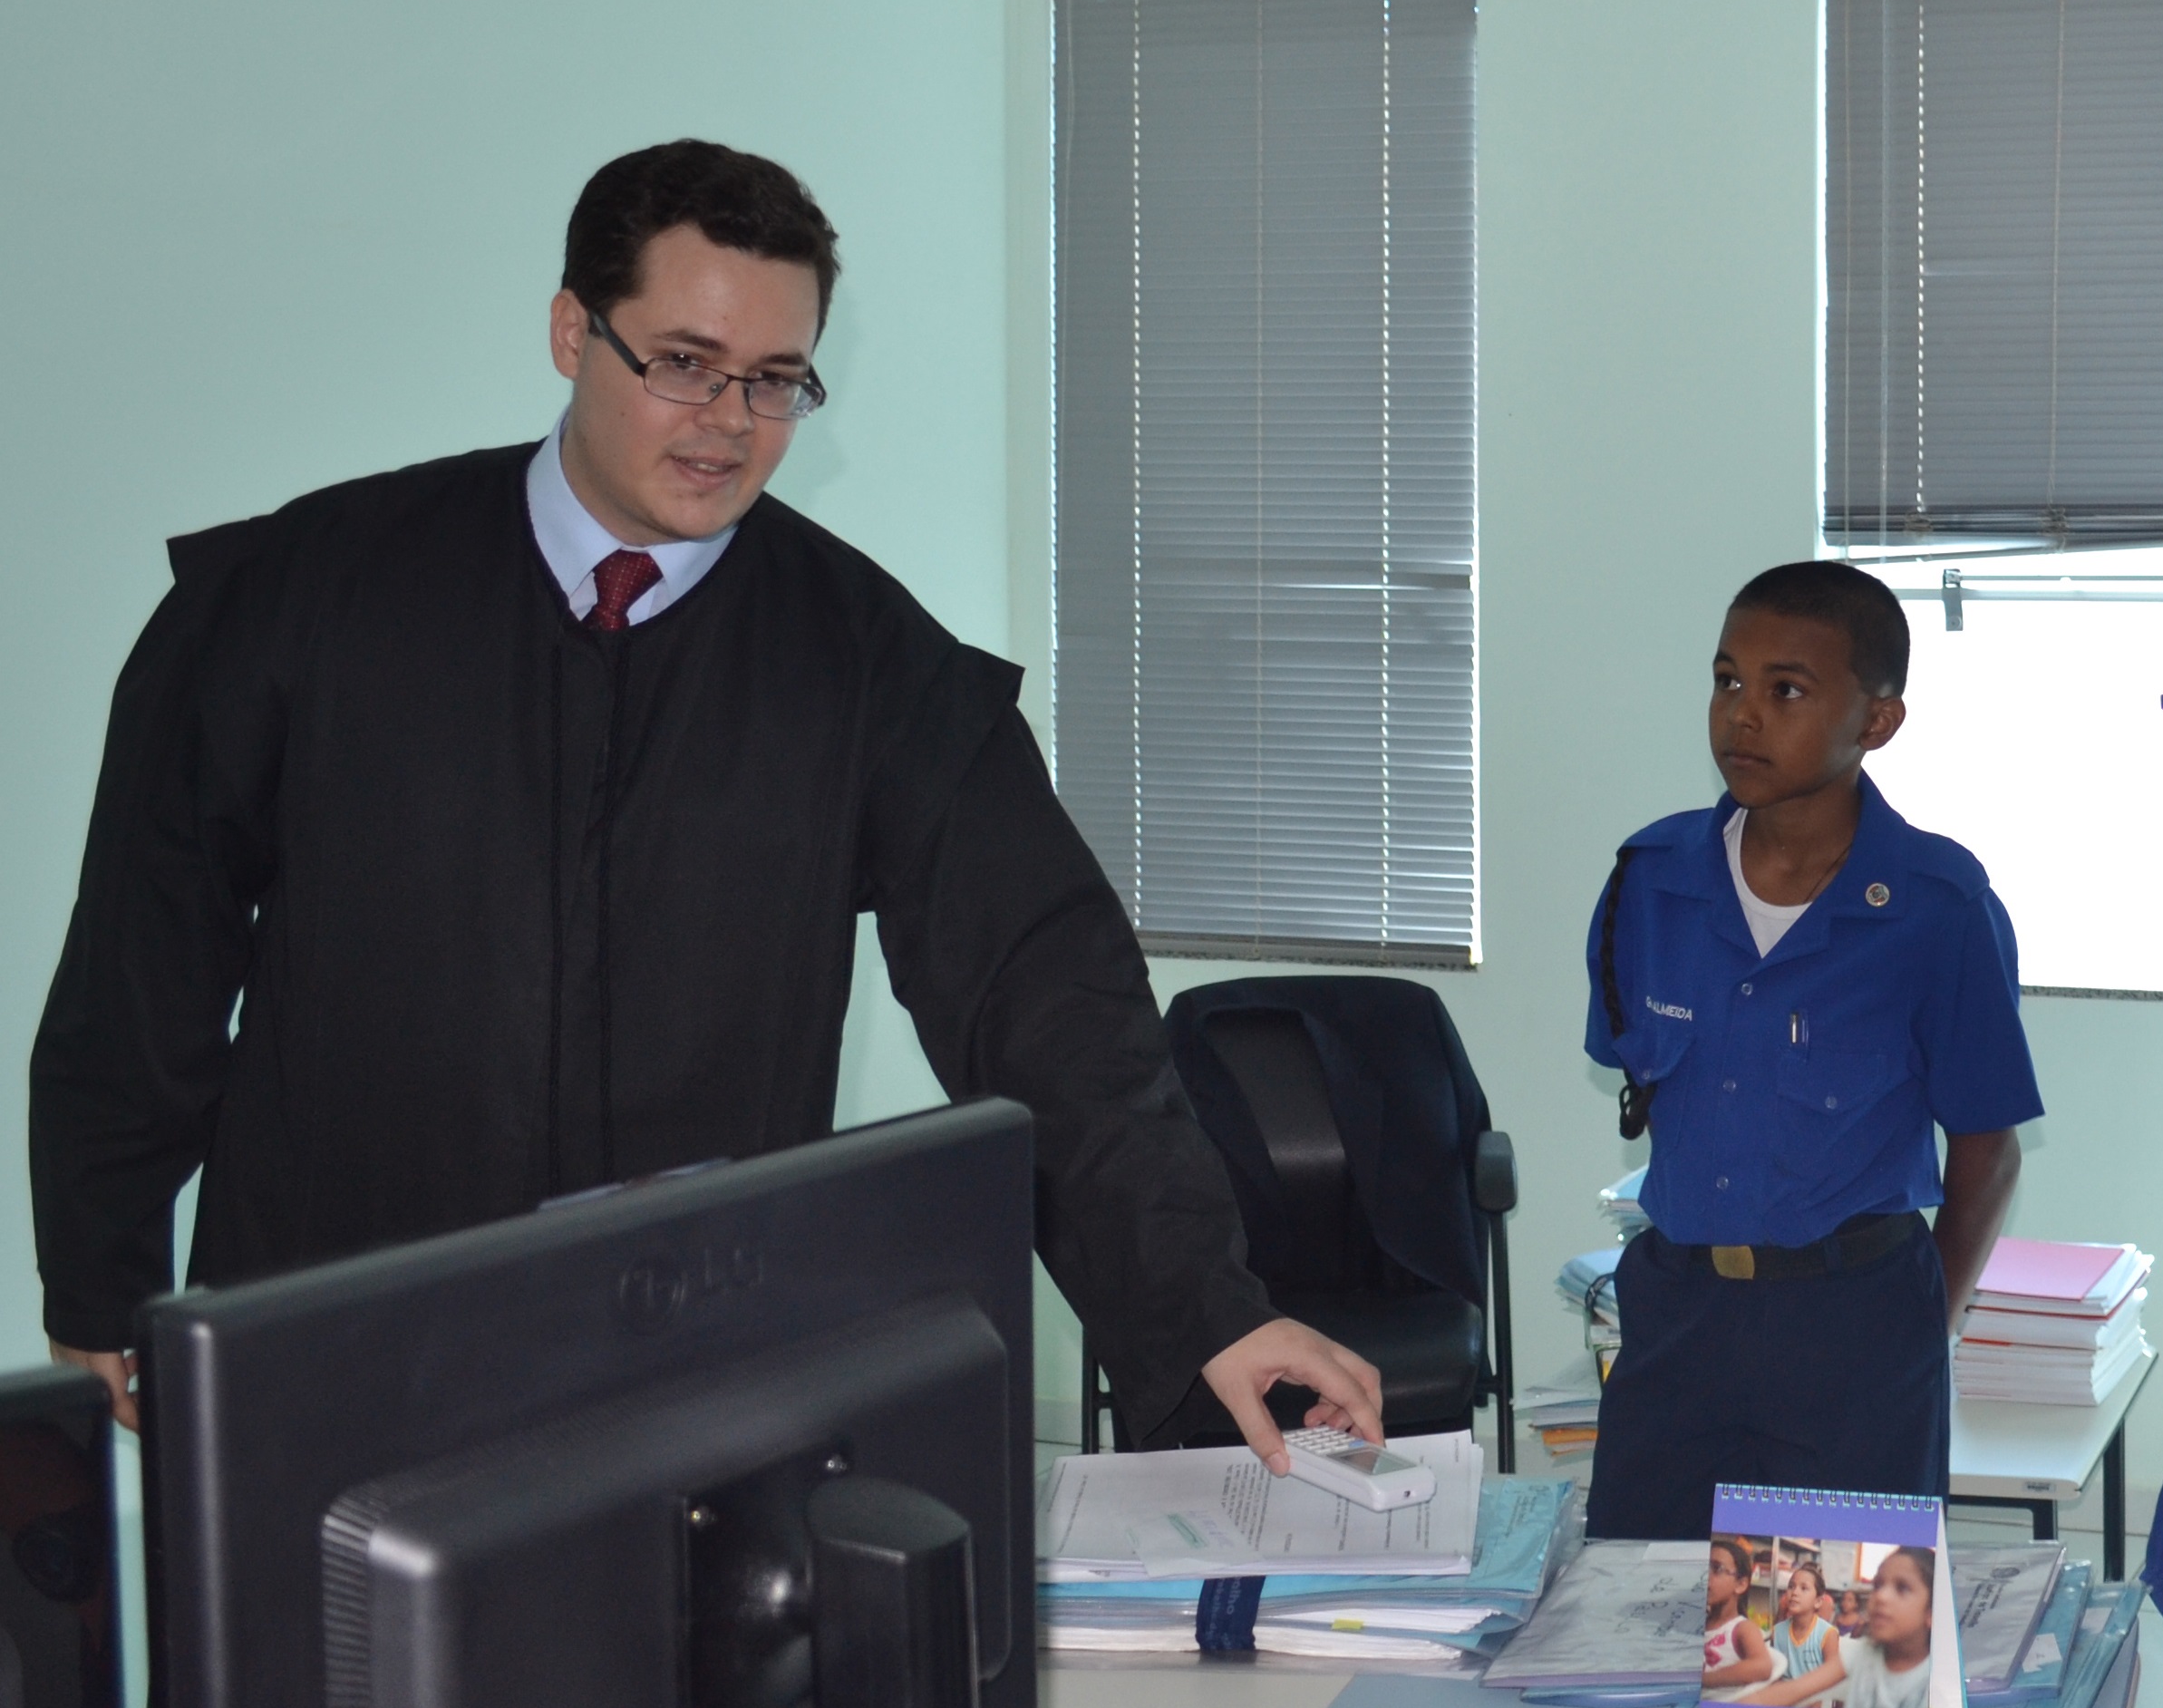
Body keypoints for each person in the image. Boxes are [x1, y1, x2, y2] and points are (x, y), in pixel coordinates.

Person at [27, 141, 1378, 1464]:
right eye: (684, 363)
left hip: (684, 1375)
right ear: (573, 332)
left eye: (776, 380)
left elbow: (1047, 998)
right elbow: (147, 952)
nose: (730, 420)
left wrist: (1204, 1305)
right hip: (335, 1348)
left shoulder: (870, 666)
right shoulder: (305, 596)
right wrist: (99, 1269)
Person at [1578, 562, 2041, 1539]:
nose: (1743, 715)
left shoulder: (1936, 908)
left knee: (1828, 1636)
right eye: (1727, 681)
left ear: (1878, 720)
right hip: (1677, 1321)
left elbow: (1988, 1149)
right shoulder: (1649, 883)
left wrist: (1918, 1332)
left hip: (1853, 1328)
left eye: (1786, 690)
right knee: (1633, 1608)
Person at [1754, 1544, 1938, 1708]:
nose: (1881, 1596)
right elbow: (1795, 1690)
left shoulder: (1932, 1687)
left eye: (1902, 1588)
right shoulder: (1863, 1653)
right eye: (1878, 1585)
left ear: (1932, 1612)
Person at [1700, 1534, 1779, 1691]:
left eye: (1717, 1569)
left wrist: (1702, 1680)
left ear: (1741, 1585)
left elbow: (1762, 1667)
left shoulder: (1742, 1628)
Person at [1764, 1554, 1839, 1686]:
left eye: (1804, 1588)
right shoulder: (1777, 1632)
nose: (1794, 1593)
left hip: (1815, 1695)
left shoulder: (1827, 1634)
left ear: (1818, 1601)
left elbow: (1832, 1680)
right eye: (1791, 1586)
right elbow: (1775, 1677)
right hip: (1783, 1695)